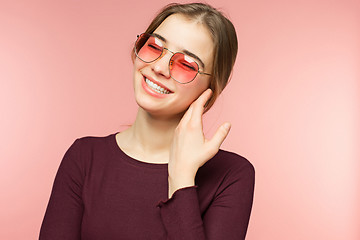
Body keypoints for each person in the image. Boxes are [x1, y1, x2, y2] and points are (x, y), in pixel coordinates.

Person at [39, 2, 255, 240]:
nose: (160, 68)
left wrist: (181, 179)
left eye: (186, 64)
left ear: (211, 87)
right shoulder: (83, 157)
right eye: (154, 47)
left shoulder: (232, 175)